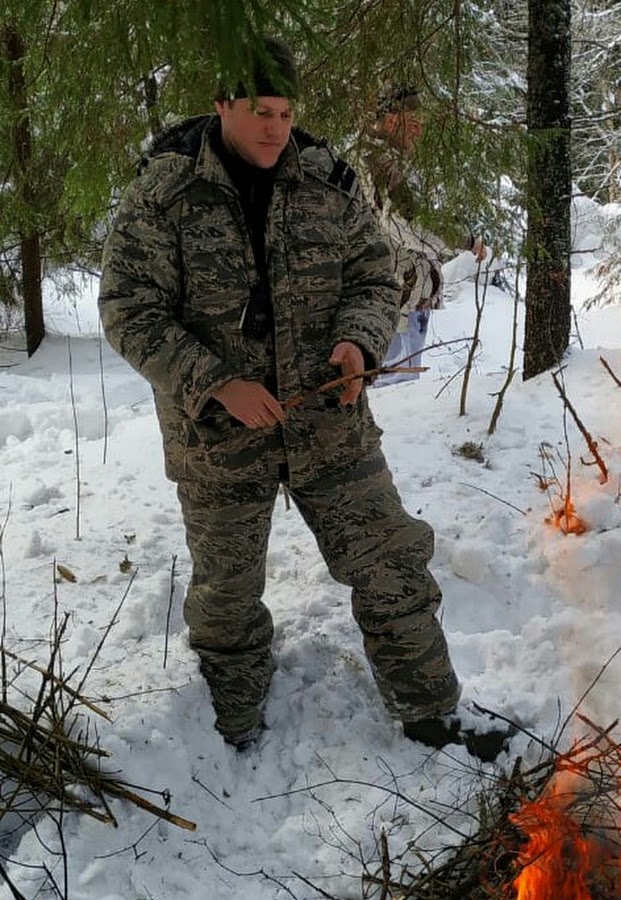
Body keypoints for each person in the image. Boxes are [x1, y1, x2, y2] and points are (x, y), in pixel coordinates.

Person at [98, 36, 509, 761]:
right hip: (219, 438)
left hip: (329, 425)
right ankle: (228, 731)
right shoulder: (164, 195)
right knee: (226, 602)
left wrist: (357, 343)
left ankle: (433, 715)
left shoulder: (328, 182)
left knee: (391, 565)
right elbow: (129, 309)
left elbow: (375, 280)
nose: (275, 129)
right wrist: (215, 381)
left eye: (286, 113)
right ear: (221, 105)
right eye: (259, 111)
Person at [363, 85, 485, 386]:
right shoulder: (382, 164)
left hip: (409, 295)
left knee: (402, 386)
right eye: (414, 124)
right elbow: (409, 224)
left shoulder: (396, 160)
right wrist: (464, 241)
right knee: (392, 389)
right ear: (393, 122)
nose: (419, 132)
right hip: (393, 298)